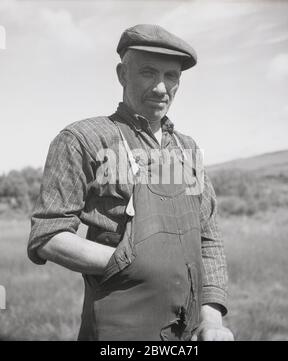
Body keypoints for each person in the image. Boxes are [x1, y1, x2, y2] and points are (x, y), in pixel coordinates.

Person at [28, 24, 234, 341]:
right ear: (122, 74)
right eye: (148, 73)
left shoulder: (187, 150)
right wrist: (129, 263)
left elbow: (209, 240)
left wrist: (212, 321)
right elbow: (49, 235)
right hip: (118, 329)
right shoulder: (83, 140)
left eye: (171, 76)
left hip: (189, 333)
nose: (161, 87)